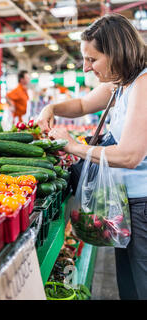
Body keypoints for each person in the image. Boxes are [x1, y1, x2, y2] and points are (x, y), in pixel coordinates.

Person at [37, 13, 147, 300]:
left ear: (117, 53)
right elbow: (84, 103)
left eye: (92, 59)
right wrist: (51, 108)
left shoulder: (143, 85)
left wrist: (74, 146)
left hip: (144, 207)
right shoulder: (123, 81)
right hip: (129, 203)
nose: (86, 68)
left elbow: (130, 155)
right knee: (131, 285)